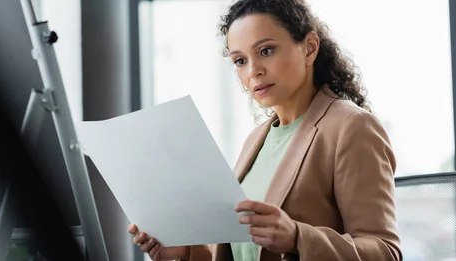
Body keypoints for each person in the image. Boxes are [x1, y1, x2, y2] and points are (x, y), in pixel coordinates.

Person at [128, 0, 402, 260]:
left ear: (309, 48)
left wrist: (297, 237)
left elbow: (384, 251)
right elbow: (245, 250)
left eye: (266, 51)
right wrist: (187, 253)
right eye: (240, 60)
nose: (253, 71)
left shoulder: (351, 127)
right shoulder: (256, 139)